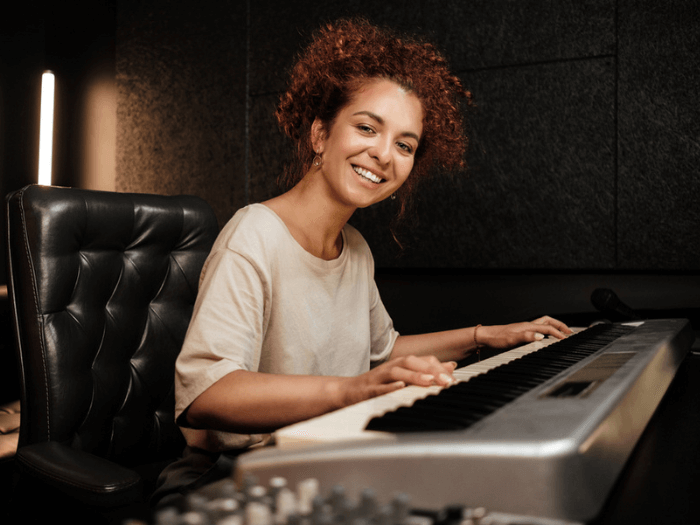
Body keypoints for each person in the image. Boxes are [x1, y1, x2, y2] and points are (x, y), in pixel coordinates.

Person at [152, 18, 571, 508]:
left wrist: (482, 336)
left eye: (404, 144)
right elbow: (208, 397)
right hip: (228, 480)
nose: (383, 154)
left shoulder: (354, 248)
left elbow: (382, 353)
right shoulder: (253, 234)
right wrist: (352, 391)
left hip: (321, 462)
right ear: (320, 134)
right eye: (367, 127)